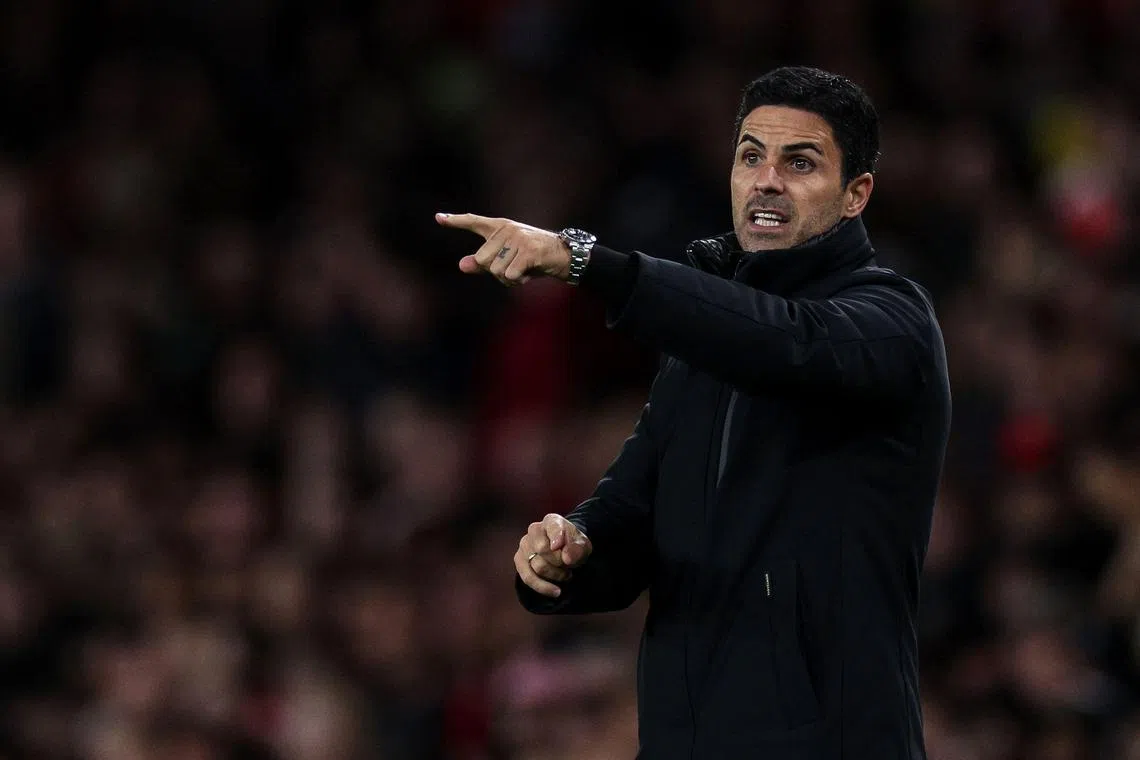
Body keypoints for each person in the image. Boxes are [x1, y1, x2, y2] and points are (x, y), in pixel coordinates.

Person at [438, 66, 951, 760]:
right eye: (750, 156)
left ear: (856, 193)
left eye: (800, 162)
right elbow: (630, 514)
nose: (767, 179)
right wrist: (569, 553)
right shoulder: (699, 347)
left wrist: (591, 262)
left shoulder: (892, 321)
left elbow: (784, 340)